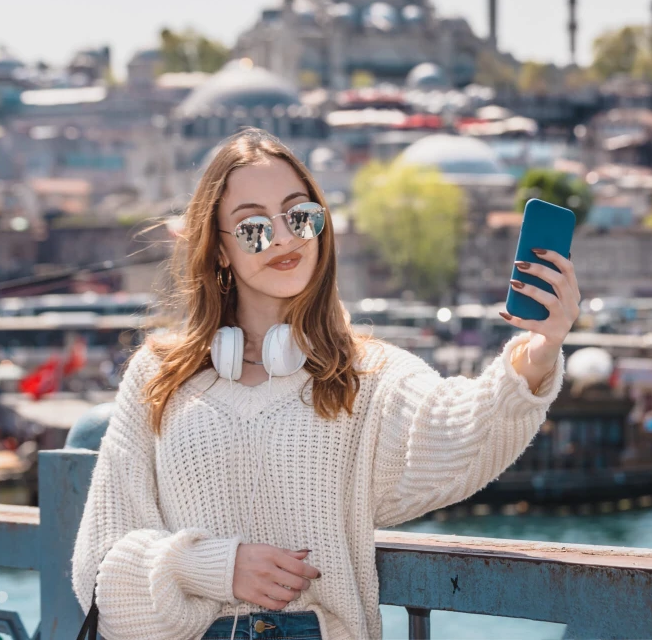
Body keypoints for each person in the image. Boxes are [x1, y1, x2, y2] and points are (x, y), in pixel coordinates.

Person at [71, 129, 577, 640]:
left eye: (299, 216)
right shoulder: (157, 376)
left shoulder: (368, 375)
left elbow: (465, 426)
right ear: (219, 250)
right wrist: (211, 567)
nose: (286, 238)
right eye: (253, 228)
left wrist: (540, 350)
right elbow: (100, 567)